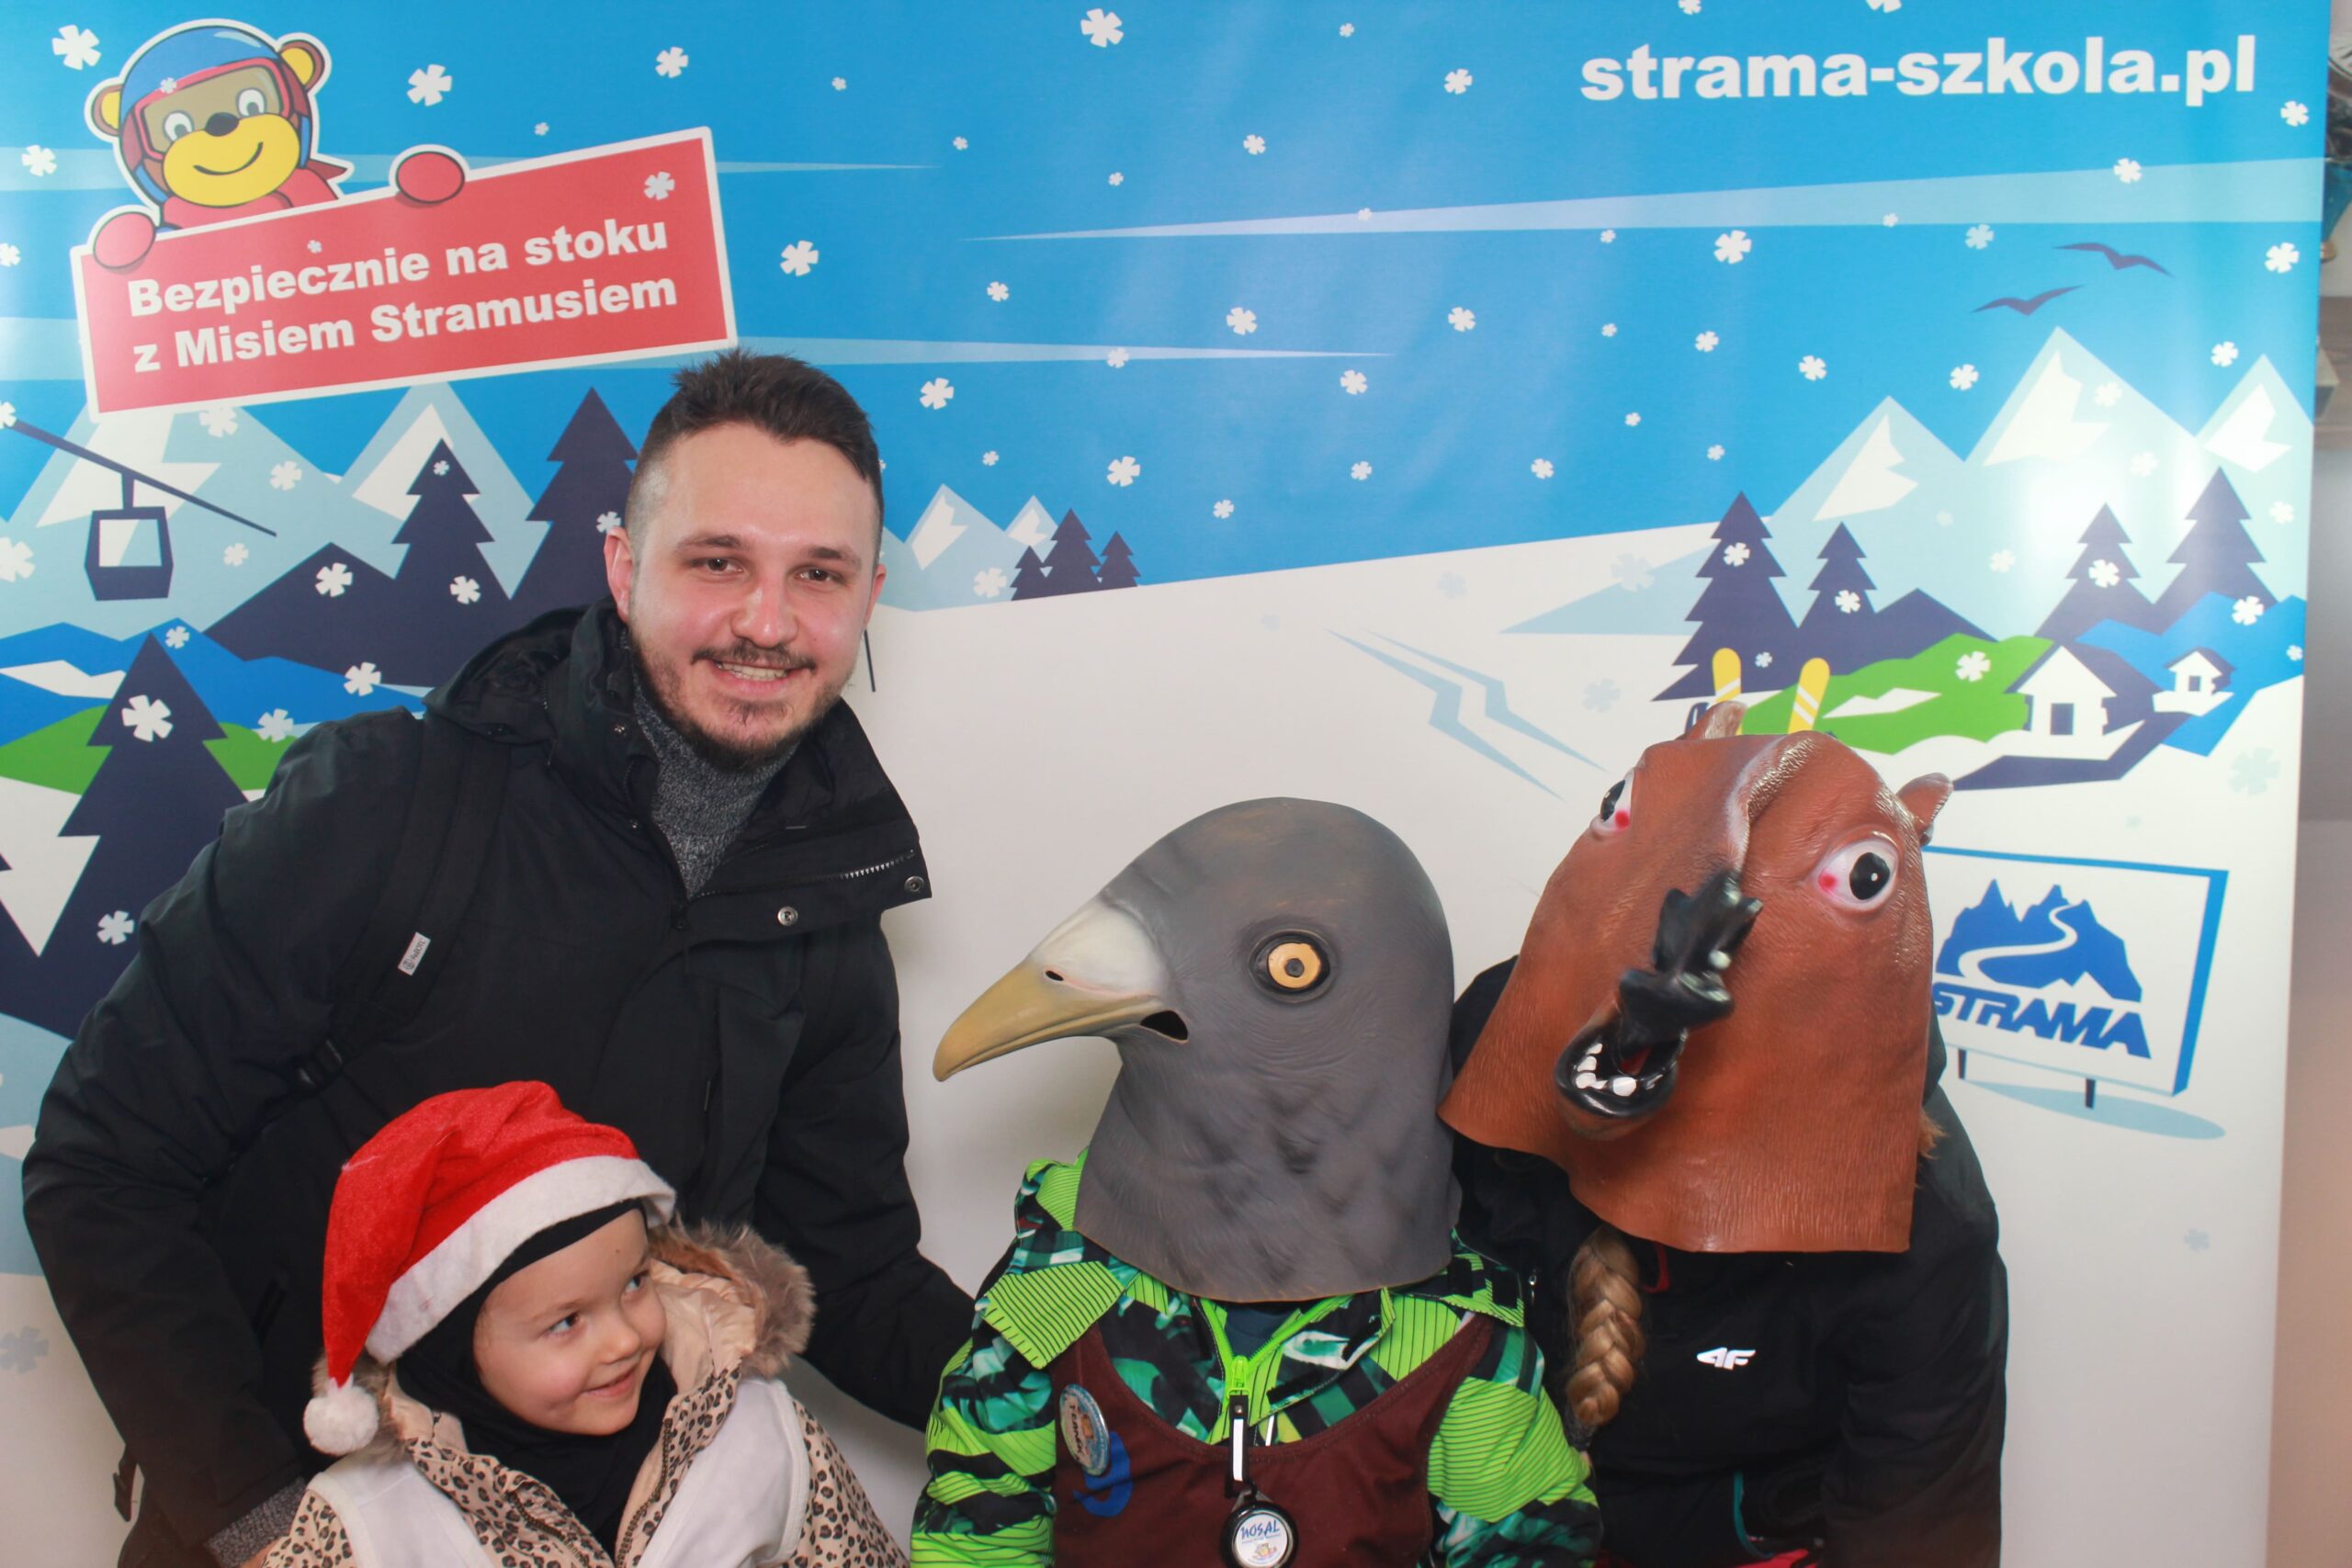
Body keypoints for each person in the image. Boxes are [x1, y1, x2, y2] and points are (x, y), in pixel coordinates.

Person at [24, 350, 971, 1567]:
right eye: (717, 561)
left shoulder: (825, 915)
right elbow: (104, 1166)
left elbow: (851, 1269)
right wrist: (262, 1525)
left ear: (868, 595)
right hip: (299, 1513)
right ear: (624, 566)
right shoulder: (386, 805)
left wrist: (1083, 1398)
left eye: (818, 574)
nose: (767, 622)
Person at [910, 800, 1602, 1566]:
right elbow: (978, 1530)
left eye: (1291, 966)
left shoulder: (1451, 1340)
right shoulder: (1060, 1293)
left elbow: (1530, 1547)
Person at [1441, 705, 2005, 1568]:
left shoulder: (1921, 1213)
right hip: (1511, 1513)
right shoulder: (1501, 1043)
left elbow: (1916, 1516)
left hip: (1749, 1532)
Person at [266, 1080, 900, 1568]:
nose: (624, 1339)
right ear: (448, 1354)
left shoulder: (758, 1433)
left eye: (634, 1283)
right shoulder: (369, 1529)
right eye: (567, 1321)